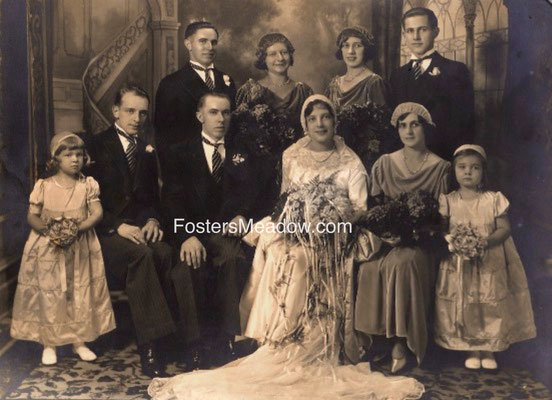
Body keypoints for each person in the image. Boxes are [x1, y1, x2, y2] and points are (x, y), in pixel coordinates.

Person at [148, 95, 425, 400]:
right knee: (283, 251)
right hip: (294, 228)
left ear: (334, 122)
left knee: (302, 257)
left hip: (337, 232)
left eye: (326, 118)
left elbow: (359, 206)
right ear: (304, 124)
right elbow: (285, 200)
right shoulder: (292, 154)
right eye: (313, 118)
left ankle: (313, 341)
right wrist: (298, 220)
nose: (320, 124)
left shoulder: (350, 160)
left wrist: (329, 218)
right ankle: (276, 339)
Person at [87, 85, 199, 377]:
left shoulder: (147, 152)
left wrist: (152, 221)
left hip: (138, 229)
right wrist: (117, 226)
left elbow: (149, 199)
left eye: (142, 113)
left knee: (168, 254)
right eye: (130, 111)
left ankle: (189, 342)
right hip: (104, 233)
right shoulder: (95, 147)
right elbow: (83, 202)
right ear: (115, 112)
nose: (137, 118)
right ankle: (151, 347)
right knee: (142, 257)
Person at [355, 102, 450, 373]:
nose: (408, 131)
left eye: (415, 124)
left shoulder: (440, 168)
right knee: (370, 267)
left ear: (425, 128)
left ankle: (402, 343)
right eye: (402, 125)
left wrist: (414, 233)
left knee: (402, 263)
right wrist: (386, 231)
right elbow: (375, 207)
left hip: (422, 242)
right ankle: (376, 341)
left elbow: (441, 219)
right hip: (388, 240)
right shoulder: (385, 163)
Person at [10, 132, 116, 365]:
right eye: (68, 155)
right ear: (56, 158)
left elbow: (97, 213)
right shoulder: (44, 186)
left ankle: (78, 341)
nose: (75, 159)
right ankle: (51, 343)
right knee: (51, 293)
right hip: (49, 248)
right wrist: (50, 232)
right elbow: (32, 216)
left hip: (80, 246)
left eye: (79, 154)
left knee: (78, 292)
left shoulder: (87, 185)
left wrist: (77, 229)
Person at [162, 92, 251, 367]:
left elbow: (253, 194)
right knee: (187, 268)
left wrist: (241, 215)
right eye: (214, 112)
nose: (220, 118)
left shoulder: (242, 151)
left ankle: (226, 341)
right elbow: (171, 200)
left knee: (233, 259)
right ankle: (194, 346)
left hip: (225, 233)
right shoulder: (179, 152)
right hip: (190, 231)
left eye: (226, 112)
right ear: (200, 116)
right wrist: (186, 236)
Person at [434, 144, 536, 370]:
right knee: (466, 302)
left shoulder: (494, 199)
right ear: (455, 171)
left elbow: (504, 229)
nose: (468, 172)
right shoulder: (448, 200)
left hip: (489, 260)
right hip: (459, 262)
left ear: (483, 172)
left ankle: (488, 348)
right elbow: (441, 230)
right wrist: (453, 241)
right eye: (462, 167)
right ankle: (471, 348)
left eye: (474, 168)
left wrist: (483, 242)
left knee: (488, 303)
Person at [222, 33, 313, 224]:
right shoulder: (249, 90)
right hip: (256, 174)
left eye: (284, 52)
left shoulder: (303, 91)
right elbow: (236, 137)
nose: (280, 58)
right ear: (263, 58)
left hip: (296, 170)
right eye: (273, 54)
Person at [389, 7, 475, 160]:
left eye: (422, 29)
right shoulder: (397, 76)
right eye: (410, 31)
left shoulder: (455, 71)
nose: (416, 37)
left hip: (442, 159)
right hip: (405, 161)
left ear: (435, 31)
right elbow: (394, 126)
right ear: (403, 35)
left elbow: (464, 125)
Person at [154, 21, 237, 163]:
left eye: (213, 42)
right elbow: (163, 137)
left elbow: (233, 128)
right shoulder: (171, 83)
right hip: (189, 167)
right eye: (203, 41)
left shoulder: (226, 80)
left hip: (225, 166)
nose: (210, 47)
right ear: (188, 44)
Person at [325, 26, 387, 111]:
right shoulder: (334, 86)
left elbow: (381, 121)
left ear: (366, 50)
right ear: (341, 49)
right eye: (346, 45)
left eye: (357, 46)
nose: (351, 51)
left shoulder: (374, 83)